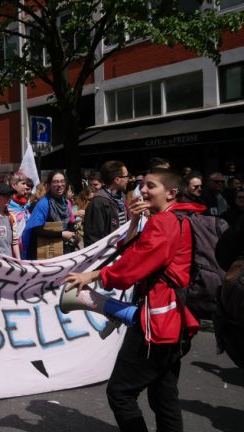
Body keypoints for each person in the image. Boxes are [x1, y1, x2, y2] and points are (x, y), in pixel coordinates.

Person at [64, 167, 201, 432]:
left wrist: (92, 276)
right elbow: (134, 252)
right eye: (143, 185)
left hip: (157, 325)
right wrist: (134, 223)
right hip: (172, 322)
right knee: (163, 396)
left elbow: (133, 265)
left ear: (171, 193)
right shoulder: (172, 219)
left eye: (151, 186)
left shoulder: (165, 222)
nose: (143, 190)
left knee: (120, 393)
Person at [21, 171, 76, 259]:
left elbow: (69, 223)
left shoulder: (66, 202)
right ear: (49, 185)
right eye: (55, 182)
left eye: (62, 181)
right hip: (44, 253)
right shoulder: (43, 204)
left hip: (62, 251)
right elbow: (37, 230)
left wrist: (72, 233)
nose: (59, 185)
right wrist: (61, 234)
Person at [83, 161, 130, 247]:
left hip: (121, 250)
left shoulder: (121, 197)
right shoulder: (98, 202)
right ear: (117, 180)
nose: (128, 180)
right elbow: (93, 238)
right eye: (126, 177)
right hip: (108, 255)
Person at [0, 183, 21, 258]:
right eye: (5, 195)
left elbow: (15, 242)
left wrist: (19, 260)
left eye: (10, 195)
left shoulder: (11, 217)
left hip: (8, 262)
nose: (9, 198)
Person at [8, 175, 33, 244]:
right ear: (14, 185)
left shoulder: (25, 205)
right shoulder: (7, 206)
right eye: (23, 183)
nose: (25, 186)